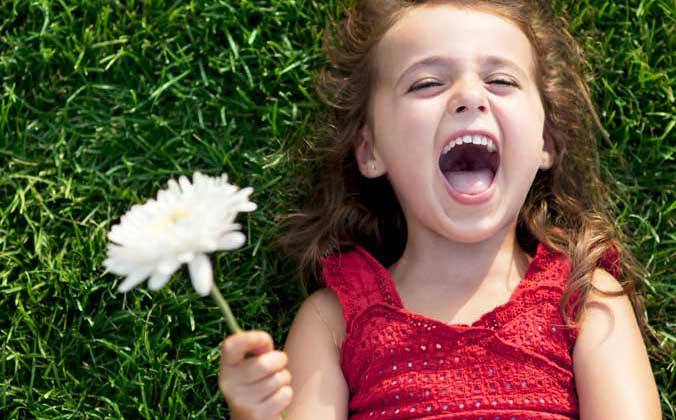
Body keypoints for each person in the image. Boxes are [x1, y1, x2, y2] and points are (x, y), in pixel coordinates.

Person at [218, 0, 662, 419]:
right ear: (370, 150)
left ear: (545, 141)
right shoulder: (333, 321)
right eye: (427, 83)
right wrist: (254, 412)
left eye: (502, 81)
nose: (470, 96)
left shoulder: (584, 300)